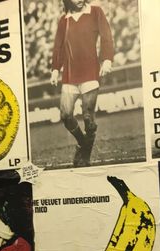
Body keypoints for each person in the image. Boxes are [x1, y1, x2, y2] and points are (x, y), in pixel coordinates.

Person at [50, 0, 114, 167]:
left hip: (90, 71)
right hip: (70, 75)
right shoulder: (64, 20)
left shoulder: (95, 12)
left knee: (88, 118)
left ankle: (85, 155)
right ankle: (83, 143)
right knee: (65, 115)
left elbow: (106, 35)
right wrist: (55, 69)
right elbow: (58, 47)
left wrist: (107, 59)